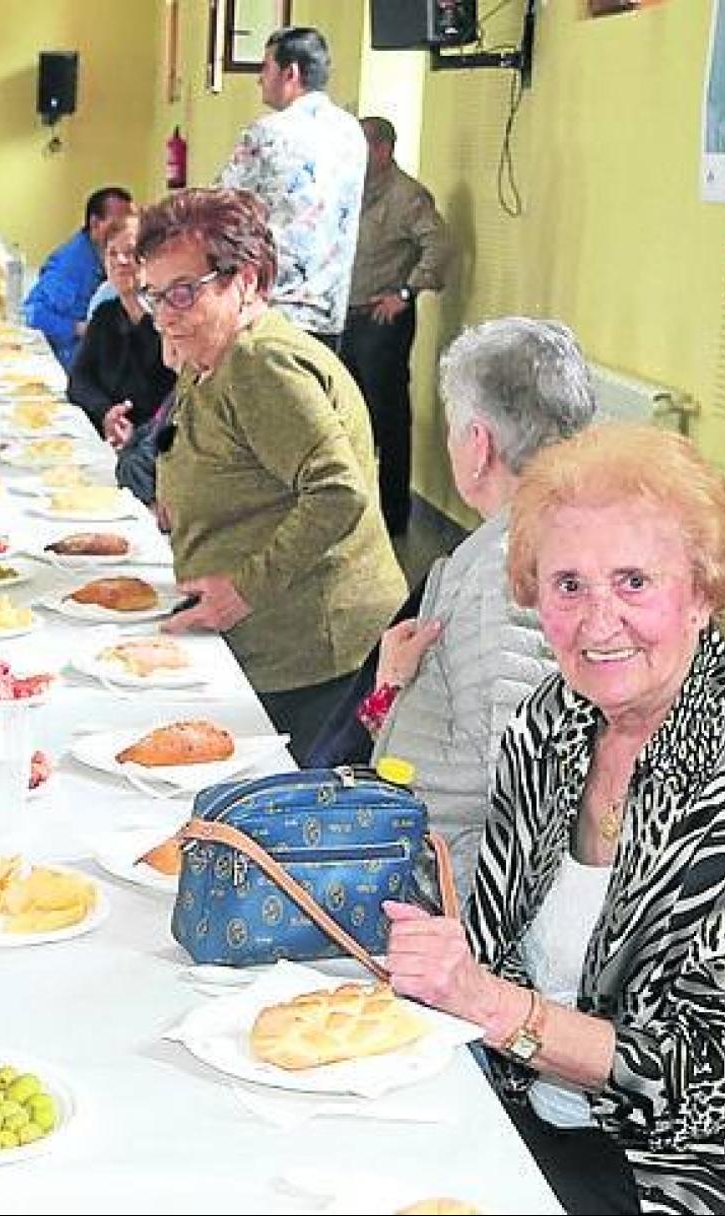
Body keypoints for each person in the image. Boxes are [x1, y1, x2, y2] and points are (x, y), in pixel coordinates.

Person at [385, 425, 725, 1215]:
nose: (598, 621)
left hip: (708, 1180)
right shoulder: (551, 721)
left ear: (702, 592)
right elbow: (497, 945)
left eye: (634, 581)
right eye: (568, 585)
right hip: (530, 1120)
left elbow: (713, 1075)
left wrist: (490, 1006)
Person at [140, 187, 405, 760]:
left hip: (310, 650)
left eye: (182, 292)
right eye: (153, 295)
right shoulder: (214, 351)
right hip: (270, 639)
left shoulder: (262, 363)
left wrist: (243, 590)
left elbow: (338, 491)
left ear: (245, 280)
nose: (163, 315)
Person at [355, 318, 595, 894]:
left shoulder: (507, 574)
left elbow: (521, 800)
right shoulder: (542, 537)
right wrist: (393, 690)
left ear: (479, 445)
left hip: (457, 895)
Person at [216, 27, 365, 348]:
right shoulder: (352, 132)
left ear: (290, 73)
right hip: (330, 311)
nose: (259, 79)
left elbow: (220, 207)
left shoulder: (267, 132)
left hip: (274, 310)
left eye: (265, 67)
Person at [340, 117, 452, 537]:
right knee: (348, 416)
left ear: (383, 150)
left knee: (387, 418)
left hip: (382, 321)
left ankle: (393, 515)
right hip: (347, 318)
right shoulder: (351, 192)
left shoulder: (407, 196)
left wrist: (406, 293)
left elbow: (439, 245)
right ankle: (354, 511)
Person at [69, 213, 174, 438]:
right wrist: (106, 413)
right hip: (107, 433)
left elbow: (165, 395)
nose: (120, 261)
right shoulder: (105, 314)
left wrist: (135, 433)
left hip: (152, 442)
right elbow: (79, 378)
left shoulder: (171, 319)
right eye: (112, 253)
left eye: (130, 252)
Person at [23, 186, 134, 369]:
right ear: (95, 224)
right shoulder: (71, 265)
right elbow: (32, 313)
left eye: (128, 227)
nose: (123, 234)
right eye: (115, 227)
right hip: (73, 361)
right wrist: (79, 328)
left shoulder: (113, 258)